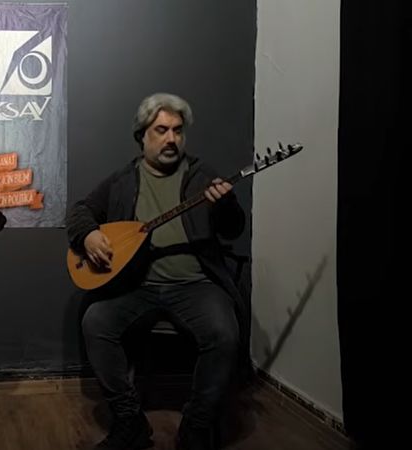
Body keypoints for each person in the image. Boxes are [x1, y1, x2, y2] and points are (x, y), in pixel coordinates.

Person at [66, 93, 247, 450]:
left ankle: (197, 426)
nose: (171, 139)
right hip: (137, 285)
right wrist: (88, 235)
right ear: (142, 136)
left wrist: (226, 205)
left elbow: (233, 229)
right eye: (161, 130)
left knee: (224, 333)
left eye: (178, 131)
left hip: (196, 285)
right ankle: (130, 421)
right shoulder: (123, 180)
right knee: (95, 323)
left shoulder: (202, 176)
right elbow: (79, 211)